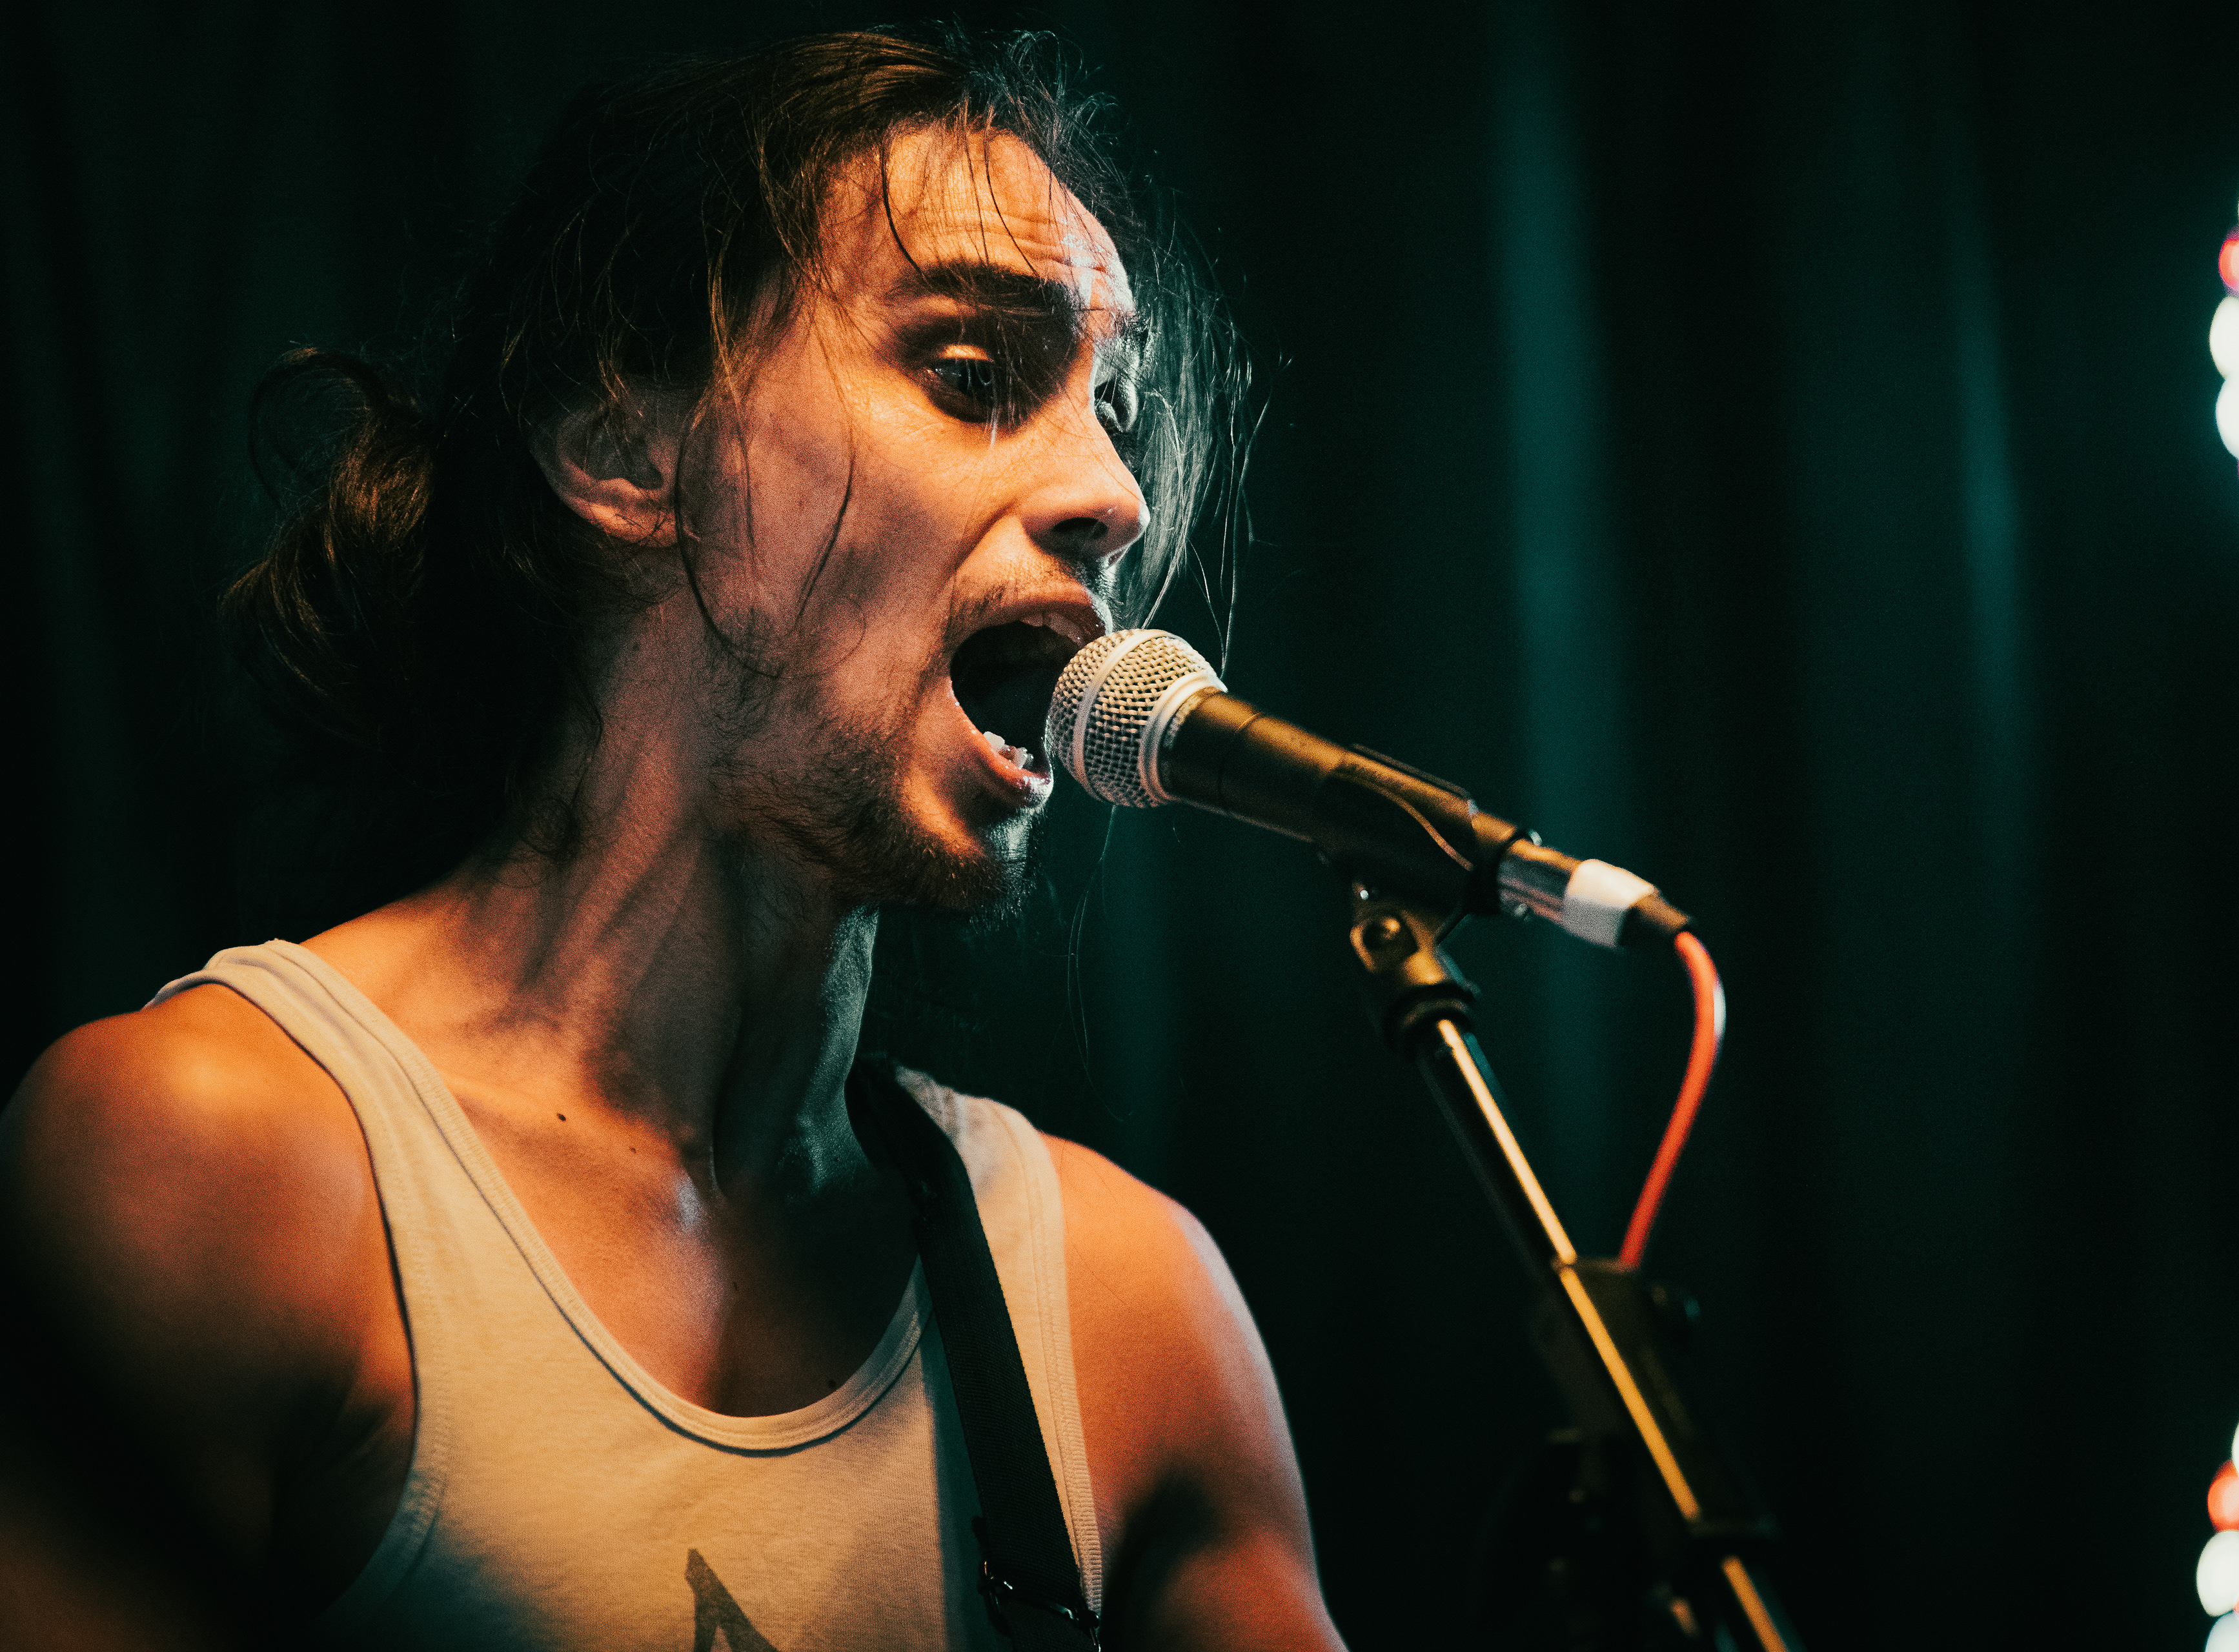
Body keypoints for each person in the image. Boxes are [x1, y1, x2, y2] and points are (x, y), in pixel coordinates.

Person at [0, 30, 1342, 1650]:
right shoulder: (217, 1165)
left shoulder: (1130, 1311)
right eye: (975, 374)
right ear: (625, 451)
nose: (1115, 492)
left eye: (1112, 407)